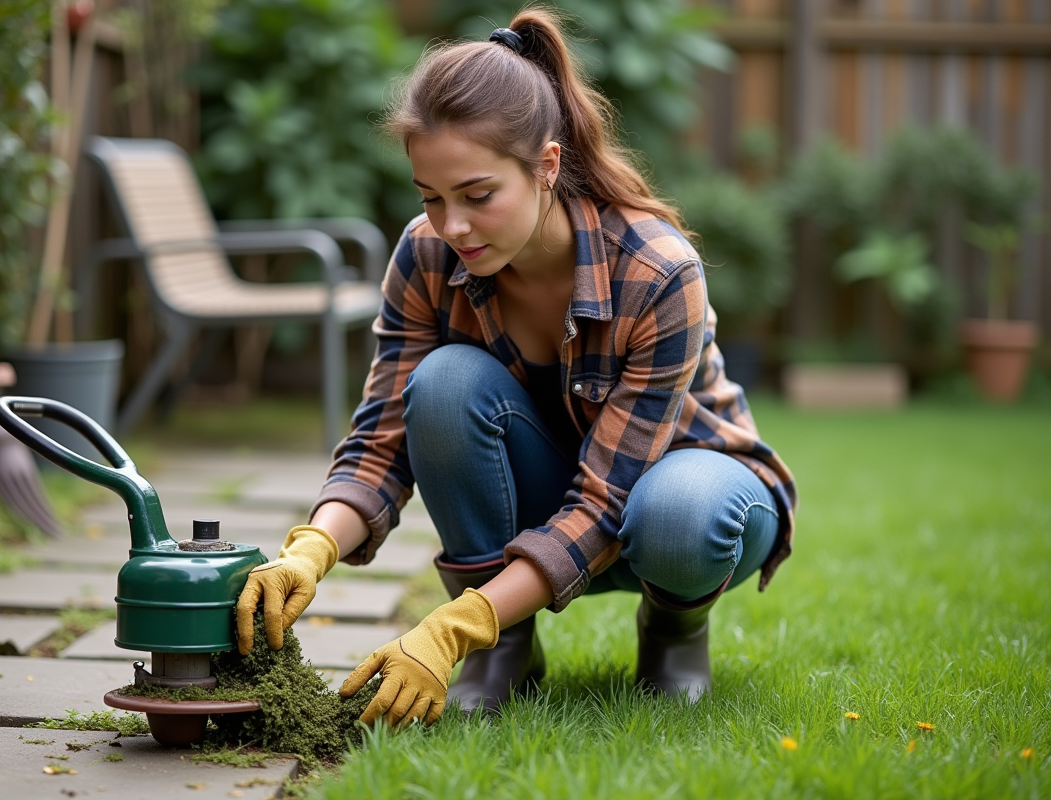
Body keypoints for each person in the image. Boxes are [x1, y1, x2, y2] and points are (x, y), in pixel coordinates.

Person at [235, 6, 797, 729]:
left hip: (686, 492)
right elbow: (382, 441)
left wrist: (450, 626)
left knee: (678, 514)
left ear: (548, 166)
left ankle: (673, 631)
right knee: (440, 385)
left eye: (477, 196)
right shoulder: (427, 254)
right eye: (430, 198)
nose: (452, 226)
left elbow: (605, 500)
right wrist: (308, 552)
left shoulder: (658, 272)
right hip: (546, 497)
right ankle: (506, 647)